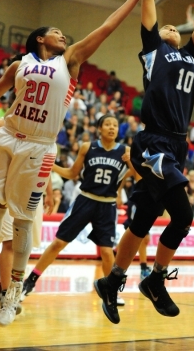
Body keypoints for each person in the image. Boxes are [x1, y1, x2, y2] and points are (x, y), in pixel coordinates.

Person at [0, 0, 164, 327]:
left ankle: (13, 294)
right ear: (39, 39)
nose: (62, 35)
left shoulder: (68, 61)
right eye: (55, 31)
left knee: (22, 220)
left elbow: (105, 28)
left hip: (39, 146)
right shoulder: (18, 65)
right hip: (7, 136)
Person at [94, 0, 194, 324]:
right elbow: (149, 2)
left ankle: (112, 279)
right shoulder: (153, 48)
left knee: (143, 219)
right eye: (165, 25)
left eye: (174, 25)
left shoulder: (190, 53)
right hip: (153, 142)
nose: (169, 26)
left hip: (178, 145)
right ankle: (154, 280)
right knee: (183, 216)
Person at [22, 114, 133, 306]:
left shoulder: (125, 151)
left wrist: (131, 162)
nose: (111, 128)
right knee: (58, 243)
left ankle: (110, 291)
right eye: (107, 124)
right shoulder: (87, 147)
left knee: (107, 252)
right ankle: (29, 281)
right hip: (85, 200)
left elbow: (140, 176)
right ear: (99, 129)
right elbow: (72, 173)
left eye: (115, 125)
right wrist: (51, 167)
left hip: (107, 205)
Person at [0, 118, 54, 313]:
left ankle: (7, 293)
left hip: (29, 190)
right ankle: (6, 294)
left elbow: (45, 162)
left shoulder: (43, 127)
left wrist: (49, 192)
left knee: (17, 244)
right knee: (10, 242)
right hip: (5, 191)